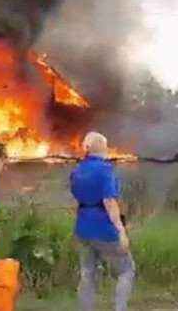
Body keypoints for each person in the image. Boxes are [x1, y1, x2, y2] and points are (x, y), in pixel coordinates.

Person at [70, 131, 135, 311]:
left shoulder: (77, 170)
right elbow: (109, 201)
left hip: (83, 227)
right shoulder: (105, 170)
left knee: (87, 273)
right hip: (103, 228)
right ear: (103, 147)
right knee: (126, 271)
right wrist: (121, 231)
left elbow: (77, 197)